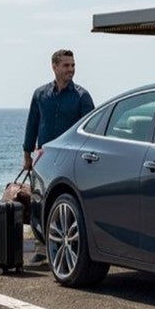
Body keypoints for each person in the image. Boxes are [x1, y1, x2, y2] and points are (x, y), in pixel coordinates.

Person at [22, 49, 95, 267]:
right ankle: (42, 248)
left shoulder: (82, 96)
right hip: (43, 158)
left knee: (64, 202)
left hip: (69, 159)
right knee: (39, 203)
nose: (71, 70)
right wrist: (27, 154)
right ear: (54, 66)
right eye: (66, 65)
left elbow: (91, 131)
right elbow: (32, 124)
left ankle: (69, 247)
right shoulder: (40, 94)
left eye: (73, 65)